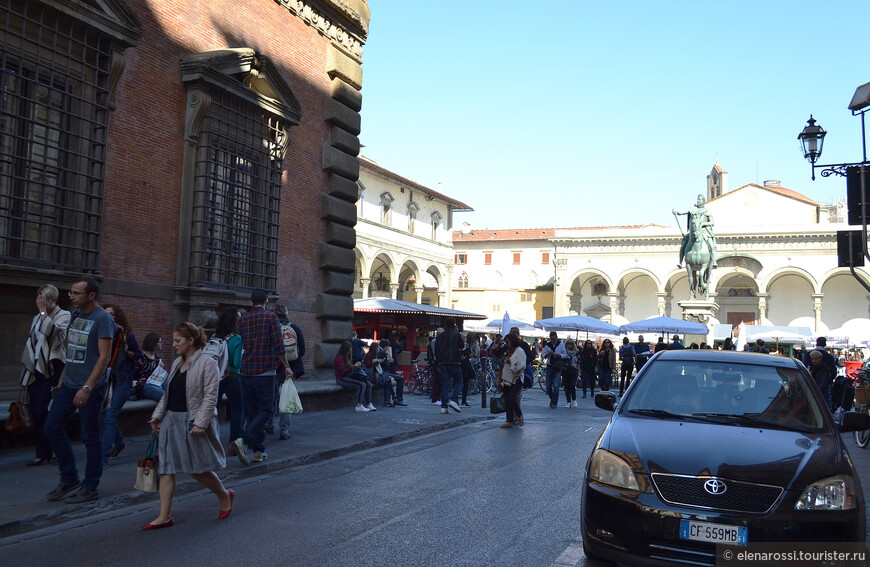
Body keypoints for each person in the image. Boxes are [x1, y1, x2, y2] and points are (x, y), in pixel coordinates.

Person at [143, 322, 233, 529]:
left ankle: (224, 495)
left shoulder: (207, 362)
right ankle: (164, 516)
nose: (174, 344)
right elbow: (167, 394)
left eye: (178, 341)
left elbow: (211, 396)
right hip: (170, 420)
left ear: (191, 341)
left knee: (198, 470)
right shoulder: (176, 364)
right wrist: (157, 416)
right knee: (166, 468)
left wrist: (201, 423)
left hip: (192, 421)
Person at [44, 278, 114, 503]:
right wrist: (63, 379)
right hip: (69, 384)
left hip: (90, 387)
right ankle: (69, 478)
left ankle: (90, 486)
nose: (71, 297)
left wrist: (87, 387)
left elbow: (104, 357)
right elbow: (72, 351)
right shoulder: (75, 315)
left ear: (91, 295)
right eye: (71, 292)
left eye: (76, 293)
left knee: (90, 436)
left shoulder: (103, 318)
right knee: (51, 427)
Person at [232, 290, 288, 466]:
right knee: (266, 411)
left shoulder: (243, 319)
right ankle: (244, 439)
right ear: (266, 301)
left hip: (246, 371)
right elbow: (279, 345)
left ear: (251, 302)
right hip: (265, 372)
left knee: (253, 412)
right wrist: (287, 366)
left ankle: (258, 451)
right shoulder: (271, 317)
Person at [20, 285, 70, 466]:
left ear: (54, 300)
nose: (42, 303)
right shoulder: (36, 318)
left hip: (52, 368)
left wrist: (42, 313)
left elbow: (53, 332)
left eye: (45, 300)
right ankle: (43, 452)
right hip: (36, 368)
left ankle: (54, 446)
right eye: (40, 299)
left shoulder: (64, 315)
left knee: (44, 409)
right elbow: (33, 341)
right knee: (35, 410)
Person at [101, 303, 140, 468]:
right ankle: (119, 442)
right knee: (105, 416)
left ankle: (103, 457)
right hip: (106, 381)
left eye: (112, 314)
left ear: (118, 317)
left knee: (109, 416)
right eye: (106, 314)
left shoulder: (126, 336)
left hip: (122, 381)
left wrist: (127, 352)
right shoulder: (102, 335)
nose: (109, 317)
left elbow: (139, 356)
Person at [272, 304, 307, 439]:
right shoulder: (295, 328)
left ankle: (269, 424)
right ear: (287, 314)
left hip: (274, 366)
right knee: (286, 397)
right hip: (291, 367)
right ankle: (284, 430)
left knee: (272, 396)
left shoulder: (273, 328)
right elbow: (302, 350)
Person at [213, 309, 244, 452]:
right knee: (237, 410)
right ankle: (233, 445)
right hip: (232, 377)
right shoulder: (237, 339)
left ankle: (211, 440)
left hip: (216, 378)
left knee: (213, 410)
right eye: (238, 319)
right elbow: (236, 363)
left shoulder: (214, 337)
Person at [673, 193, 718, 269]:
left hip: (704, 231)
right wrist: (676, 211)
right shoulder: (692, 210)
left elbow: (712, 222)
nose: (698, 201)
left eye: (699, 199)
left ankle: (714, 261)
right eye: (697, 199)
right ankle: (680, 262)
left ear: (703, 201)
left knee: (712, 245)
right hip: (693, 232)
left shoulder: (707, 211)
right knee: (683, 245)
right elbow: (681, 212)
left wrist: (703, 223)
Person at [333, 340, 372, 412]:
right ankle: (359, 405)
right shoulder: (340, 358)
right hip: (341, 378)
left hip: (346, 377)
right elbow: (343, 371)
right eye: (349, 351)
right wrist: (354, 366)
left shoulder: (345, 357)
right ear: (345, 350)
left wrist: (353, 366)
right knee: (361, 384)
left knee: (367, 383)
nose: (350, 352)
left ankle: (368, 403)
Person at [434, 317, 463, 414]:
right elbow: (462, 346)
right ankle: (454, 400)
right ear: (454, 324)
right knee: (459, 382)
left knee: (445, 385)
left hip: (443, 362)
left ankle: (444, 406)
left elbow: (437, 351)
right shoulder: (457, 335)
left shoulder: (440, 336)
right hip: (454, 361)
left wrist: (437, 364)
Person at [498, 333, 526, 428]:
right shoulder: (508, 351)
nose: (507, 344)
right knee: (507, 399)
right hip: (506, 377)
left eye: (508, 342)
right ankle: (509, 420)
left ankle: (519, 415)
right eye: (505, 342)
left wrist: (511, 362)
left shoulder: (520, 351)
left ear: (512, 341)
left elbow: (522, 365)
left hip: (516, 378)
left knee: (511, 398)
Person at [135, 333, 166, 402]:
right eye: (159, 342)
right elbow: (133, 371)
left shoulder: (157, 357)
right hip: (144, 385)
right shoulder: (141, 357)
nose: (161, 344)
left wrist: (162, 367)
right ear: (153, 343)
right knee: (163, 396)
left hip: (156, 381)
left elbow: (159, 373)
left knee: (172, 389)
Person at [542, 331, 566, 408]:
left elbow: (565, 354)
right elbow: (543, 355)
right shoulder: (547, 346)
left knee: (556, 385)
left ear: (557, 337)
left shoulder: (561, 344)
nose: (553, 340)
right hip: (550, 366)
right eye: (552, 339)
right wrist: (547, 355)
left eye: (555, 339)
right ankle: (553, 399)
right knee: (548, 386)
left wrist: (559, 355)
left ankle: (554, 403)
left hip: (558, 367)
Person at [562, 339, 580, 407]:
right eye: (568, 344)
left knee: (572, 385)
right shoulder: (564, 352)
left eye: (571, 343)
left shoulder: (576, 352)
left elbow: (578, 362)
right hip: (566, 370)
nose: (569, 345)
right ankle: (568, 401)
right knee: (567, 386)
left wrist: (579, 371)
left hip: (574, 370)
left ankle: (574, 399)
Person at [459, 333, 474, 407]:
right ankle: (456, 400)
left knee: (465, 384)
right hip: (460, 365)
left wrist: (469, 354)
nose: (465, 338)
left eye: (465, 337)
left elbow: (470, 353)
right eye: (463, 337)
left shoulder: (467, 345)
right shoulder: (457, 346)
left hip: (466, 366)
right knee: (459, 383)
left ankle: (463, 401)